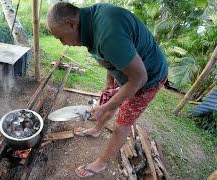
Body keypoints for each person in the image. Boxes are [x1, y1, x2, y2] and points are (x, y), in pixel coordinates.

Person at [47, 2, 168, 178]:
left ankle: (101, 163)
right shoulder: (89, 23)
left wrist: (106, 107)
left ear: (71, 24)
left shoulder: (108, 34)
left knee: (121, 125)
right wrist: (109, 85)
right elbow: (106, 58)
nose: (62, 43)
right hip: (130, 71)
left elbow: (139, 78)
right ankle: (97, 129)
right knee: (108, 100)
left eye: (60, 37)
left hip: (149, 77)